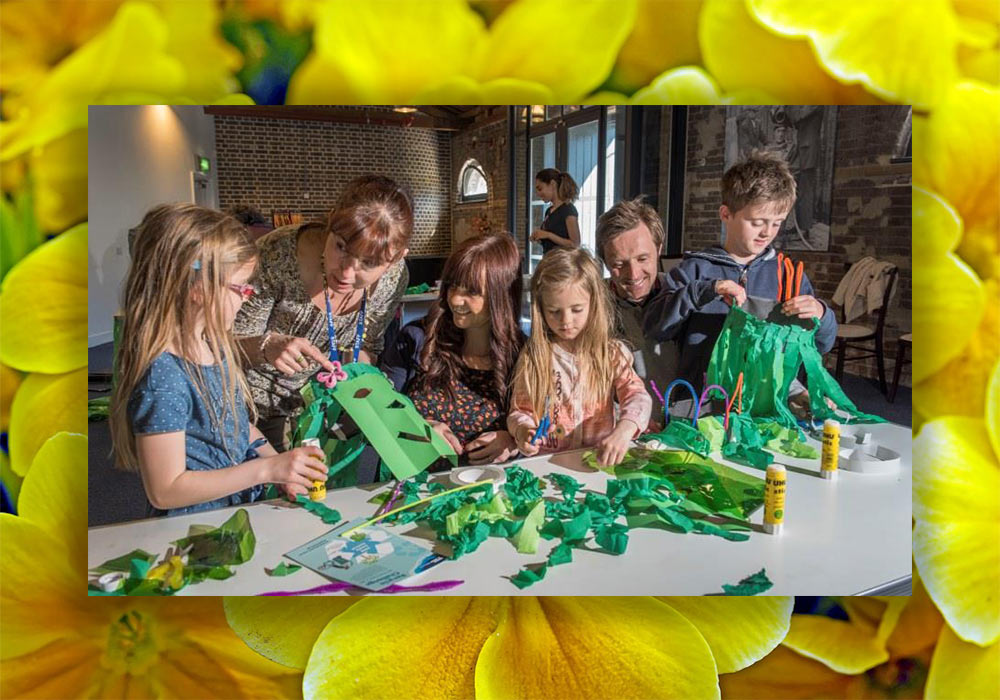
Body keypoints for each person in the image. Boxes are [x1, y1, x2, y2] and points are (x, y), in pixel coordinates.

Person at [109, 203, 328, 516]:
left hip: (233, 510)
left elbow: (238, 425)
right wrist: (266, 471)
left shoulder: (213, 346)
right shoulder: (164, 377)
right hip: (194, 528)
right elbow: (165, 490)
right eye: (241, 287)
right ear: (199, 288)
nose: (248, 296)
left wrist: (277, 463)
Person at [233, 175, 412, 451]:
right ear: (330, 222)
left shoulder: (393, 278)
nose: (346, 272)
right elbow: (219, 346)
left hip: (320, 406)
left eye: (369, 263)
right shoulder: (276, 255)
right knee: (268, 489)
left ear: (395, 258)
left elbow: (368, 344)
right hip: (254, 407)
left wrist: (358, 373)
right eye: (341, 247)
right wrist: (266, 346)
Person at [644, 150, 837, 392]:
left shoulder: (789, 275)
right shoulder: (694, 269)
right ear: (726, 214)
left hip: (766, 406)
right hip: (702, 403)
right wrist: (703, 291)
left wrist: (821, 313)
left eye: (777, 223)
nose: (767, 232)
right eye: (757, 222)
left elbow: (823, 343)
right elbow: (654, 327)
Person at [380, 233, 525, 466]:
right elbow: (378, 410)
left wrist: (513, 441)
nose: (456, 299)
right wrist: (418, 428)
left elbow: (540, 425)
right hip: (415, 489)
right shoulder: (416, 339)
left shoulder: (524, 356)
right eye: (452, 286)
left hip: (490, 492)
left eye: (472, 291)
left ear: (502, 296)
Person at [508, 248, 652, 467]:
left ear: (593, 305)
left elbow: (638, 396)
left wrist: (625, 429)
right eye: (554, 311)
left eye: (576, 309)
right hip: (545, 465)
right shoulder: (534, 357)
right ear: (540, 310)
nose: (566, 321)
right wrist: (522, 430)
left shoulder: (610, 354)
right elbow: (520, 411)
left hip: (596, 462)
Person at [596, 197, 727, 409]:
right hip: (621, 430)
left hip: (687, 426)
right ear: (605, 261)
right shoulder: (590, 306)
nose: (634, 274)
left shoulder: (686, 296)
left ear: (658, 248)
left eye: (642, 259)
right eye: (619, 264)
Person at [530, 168, 580, 253]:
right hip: (549, 260)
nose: (538, 194)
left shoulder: (568, 209)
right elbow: (552, 243)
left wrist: (548, 235)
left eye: (540, 189)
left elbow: (575, 244)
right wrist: (540, 237)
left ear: (552, 184)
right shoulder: (548, 211)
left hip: (561, 263)